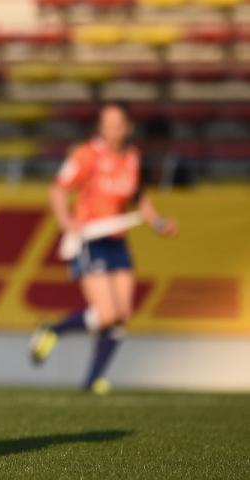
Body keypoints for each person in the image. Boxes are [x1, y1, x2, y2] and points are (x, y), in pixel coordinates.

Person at [29, 102, 177, 394]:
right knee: (107, 313)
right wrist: (67, 222)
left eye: (117, 124)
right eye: (106, 124)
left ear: (128, 128)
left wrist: (158, 223)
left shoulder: (132, 157)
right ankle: (53, 330)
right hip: (91, 239)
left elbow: (138, 196)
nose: (112, 131)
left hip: (117, 240)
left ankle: (92, 380)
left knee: (122, 315)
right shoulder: (87, 155)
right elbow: (58, 189)